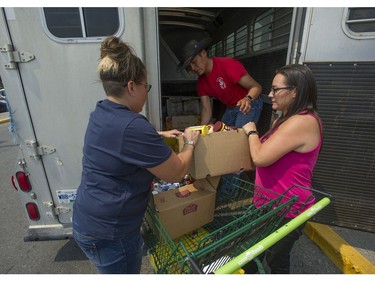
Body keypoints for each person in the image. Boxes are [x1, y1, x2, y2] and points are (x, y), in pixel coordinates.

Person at [72, 36, 200, 274]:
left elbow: (117, 142)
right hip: (111, 232)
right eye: (146, 87)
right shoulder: (133, 127)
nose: (146, 93)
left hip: (89, 218)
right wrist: (190, 142)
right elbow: (176, 172)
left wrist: (156, 135)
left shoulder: (102, 112)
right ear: (132, 87)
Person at [242, 64, 323, 274]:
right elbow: (269, 154)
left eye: (276, 89)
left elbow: (260, 156)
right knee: (251, 254)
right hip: (268, 204)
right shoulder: (284, 119)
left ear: (294, 91)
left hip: (287, 209)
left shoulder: (303, 122)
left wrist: (251, 132)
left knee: (275, 260)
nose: (270, 95)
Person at [177, 38, 263, 196]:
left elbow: (256, 87)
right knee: (217, 139)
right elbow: (206, 109)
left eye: (194, 63)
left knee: (234, 148)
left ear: (203, 53)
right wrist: (199, 132)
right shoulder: (201, 82)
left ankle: (228, 195)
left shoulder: (227, 65)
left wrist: (247, 99)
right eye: (190, 67)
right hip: (232, 108)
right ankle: (221, 183)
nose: (193, 68)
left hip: (250, 103)